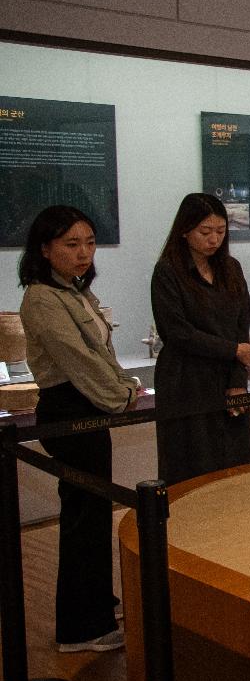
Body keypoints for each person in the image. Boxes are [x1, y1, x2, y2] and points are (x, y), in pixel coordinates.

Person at [18, 205, 137, 652]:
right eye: (71, 244)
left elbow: (99, 355)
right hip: (70, 410)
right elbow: (79, 362)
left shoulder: (73, 291)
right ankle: (81, 628)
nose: (84, 252)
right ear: (45, 249)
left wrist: (122, 388)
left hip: (87, 407)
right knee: (83, 518)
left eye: (89, 242)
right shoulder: (42, 298)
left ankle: (95, 609)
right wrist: (120, 397)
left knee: (90, 516)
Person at [151, 193, 250, 485]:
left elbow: (241, 325)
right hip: (186, 379)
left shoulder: (231, 269)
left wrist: (237, 381)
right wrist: (233, 350)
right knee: (191, 464)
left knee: (234, 462)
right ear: (184, 231)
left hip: (227, 375)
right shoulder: (168, 271)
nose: (214, 240)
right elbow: (177, 332)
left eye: (221, 232)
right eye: (205, 232)